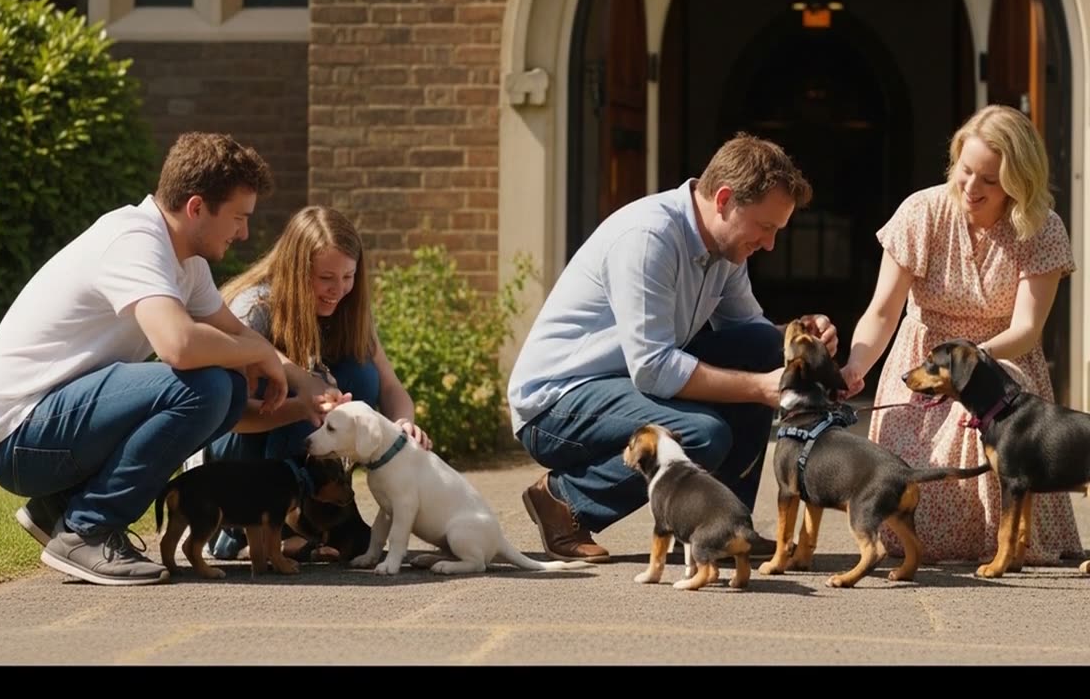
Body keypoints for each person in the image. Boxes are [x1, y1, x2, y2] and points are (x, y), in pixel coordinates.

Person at [0, 132, 289, 586]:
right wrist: (257, 352)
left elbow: (236, 335)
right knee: (208, 387)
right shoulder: (135, 241)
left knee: (230, 391)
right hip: (16, 437)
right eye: (239, 218)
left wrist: (313, 389)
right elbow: (179, 346)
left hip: (45, 428)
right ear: (196, 207)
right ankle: (88, 529)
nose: (244, 233)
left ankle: (60, 507)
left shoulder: (187, 263)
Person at [507, 132, 836, 563]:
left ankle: (725, 528)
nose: (770, 244)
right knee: (702, 436)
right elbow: (653, 368)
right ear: (724, 200)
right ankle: (564, 500)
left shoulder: (726, 249)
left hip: (623, 384)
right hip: (555, 406)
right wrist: (760, 388)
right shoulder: (649, 237)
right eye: (765, 227)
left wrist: (799, 335)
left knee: (764, 345)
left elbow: (749, 330)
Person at [839, 104, 1084, 565]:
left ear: (1019, 182)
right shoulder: (922, 211)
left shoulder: (1043, 228)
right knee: (908, 504)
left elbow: (1027, 329)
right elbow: (883, 312)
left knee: (999, 420)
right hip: (925, 358)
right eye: (966, 171)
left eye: (989, 180)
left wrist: (968, 367)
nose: (971, 187)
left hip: (997, 362)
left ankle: (1005, 542)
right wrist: (856, 365)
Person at [187, 204, 433, 559]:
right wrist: (302, 405)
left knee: (360, 372)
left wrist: (403, 424)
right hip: (231, 462)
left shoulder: (350, 310)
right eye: (326, 278)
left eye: (348, 276)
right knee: (297, 389)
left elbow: (390, 386)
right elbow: (229, 414)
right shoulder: (255, 308)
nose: (338, 289)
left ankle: (317, 520)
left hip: (290, 442)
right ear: (295, 271)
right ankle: (251, 529)